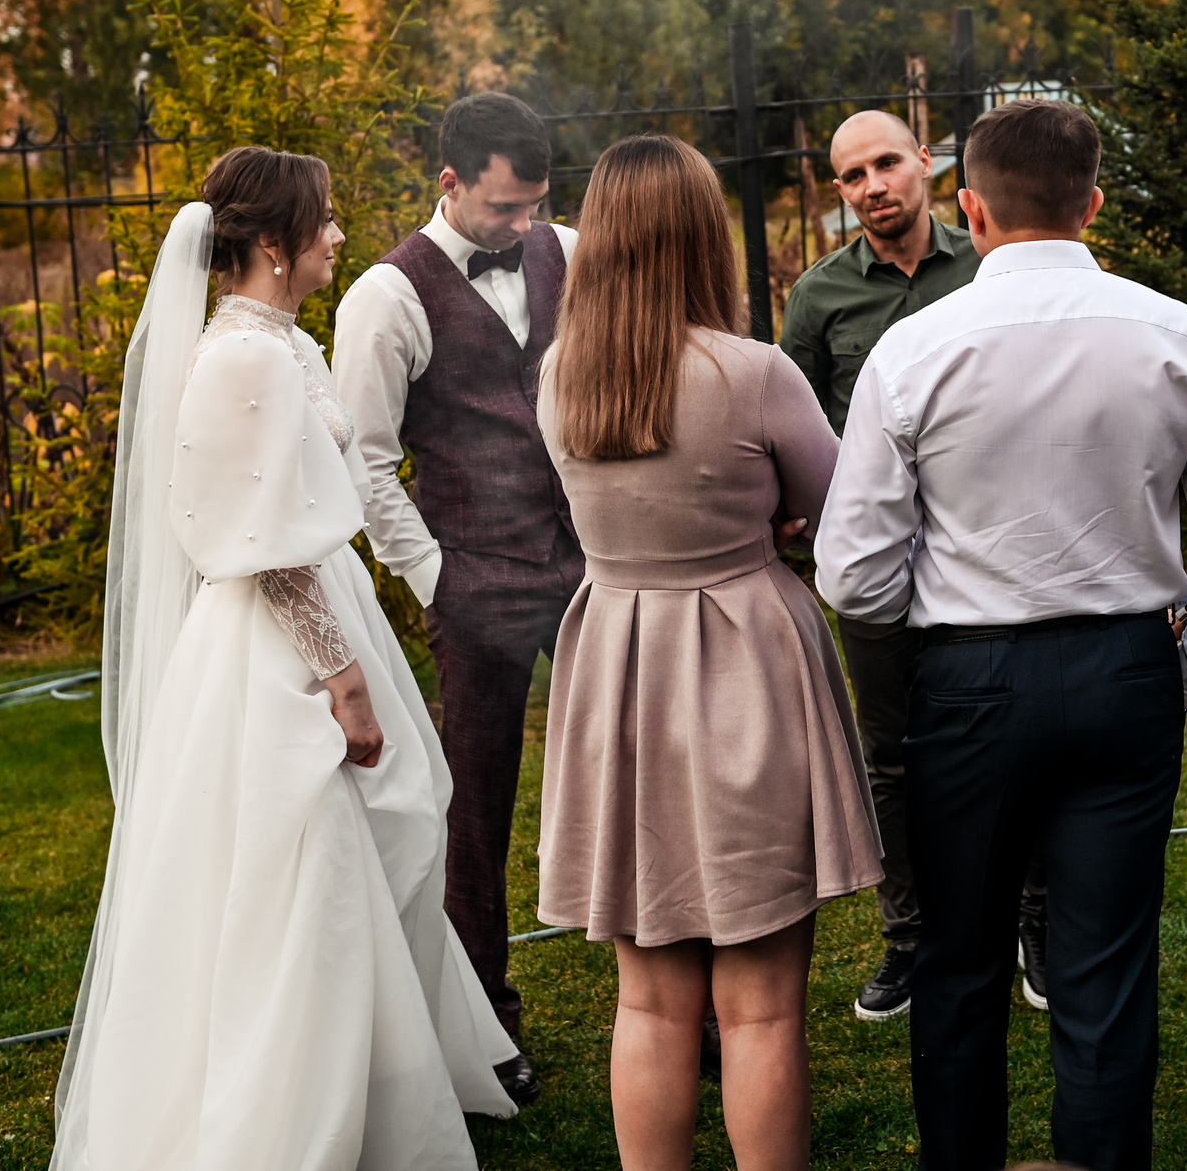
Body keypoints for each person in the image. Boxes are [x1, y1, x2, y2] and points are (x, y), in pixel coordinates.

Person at [815, 98, 1187, 1171]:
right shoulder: (1183, 337)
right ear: (1092, 202)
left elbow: (850, 573)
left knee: (958, 965)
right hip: (1125, 672)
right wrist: (1181, 672)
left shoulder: (911, 352)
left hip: (967, 681)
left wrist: (944, 630)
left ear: (971, 209)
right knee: (1106, 974)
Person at [53, 147, 515, 1171]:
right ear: (274, 243)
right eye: (328, 222)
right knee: (315, 866)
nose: (340, 237)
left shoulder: (276, 341)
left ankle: (379, 1078)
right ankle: (294, 1118)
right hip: (283, 639)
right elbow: (263, 544)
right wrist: (342, 681)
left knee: (395, 825)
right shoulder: (246, 358)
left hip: (322, 602)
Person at [535, 134, 883, 1171]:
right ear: (700, 237)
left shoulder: (561, 374)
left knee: (646, 997)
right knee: (763, 1009)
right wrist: (769, 515)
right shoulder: (751, 373)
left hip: (617, 675)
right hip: (742, 667)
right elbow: (840, 514)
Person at [333, 92, 580, 1104]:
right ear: (449, 182)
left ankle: (692, 1003)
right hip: (472, 580)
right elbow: (365, 465)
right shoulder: (384, 298)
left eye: (532, 207)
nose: (521, 227)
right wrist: (441, 578)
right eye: (502, 210)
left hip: (589, 567)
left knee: (646, 773)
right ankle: (488, 1031)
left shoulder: (567, 248)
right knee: (471, 812)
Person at [777, 108, 994, 1022]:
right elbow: (793, 430)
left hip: (984, 556)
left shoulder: (987, 268)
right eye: (852, 175)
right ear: (839, 192)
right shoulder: (820, 297)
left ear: (927, 166)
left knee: (997, 743)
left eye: (886, 166)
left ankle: (1029, 925)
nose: (872, 187)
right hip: (875, 567)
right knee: (892, 758)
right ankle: (909, 939)